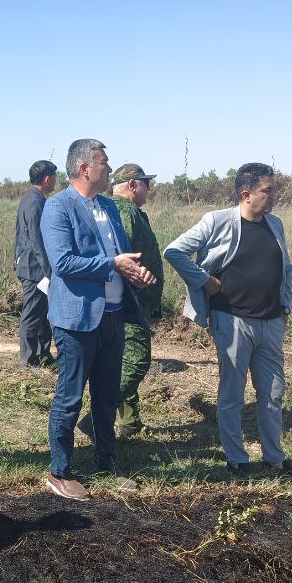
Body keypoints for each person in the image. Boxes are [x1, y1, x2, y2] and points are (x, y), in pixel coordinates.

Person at [163, 163, 292, 478]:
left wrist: (284, 308)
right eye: (268, 190)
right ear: (246, 194)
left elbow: (286, 269)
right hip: (233, 322)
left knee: (273, 392)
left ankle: (274, 457)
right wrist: (204, 280)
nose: (274, 196)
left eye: (274, 189)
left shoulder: (275, 224)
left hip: (270, 323)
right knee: (233, 394)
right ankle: (237, 459)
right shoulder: (217, 221)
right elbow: (174, 251)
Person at [41, 138, 156, 501]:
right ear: (84, 168)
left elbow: (121, 255)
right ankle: (59, 471)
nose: (109, 168)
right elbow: (63, 262)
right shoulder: (58, 207)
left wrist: (135, 273)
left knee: (106, 396)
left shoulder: (108, 206)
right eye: (103, 162)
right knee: (70, 397)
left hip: (113, 315)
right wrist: (113, 264)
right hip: (77, 319)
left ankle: (106, 462)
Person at [108, 163, 164, 436]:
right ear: (132, 185)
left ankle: (130, 421)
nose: (148, 190)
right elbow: (122, 255)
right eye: (145, 184)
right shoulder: (125, 211)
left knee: (123, 360)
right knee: (137, 360)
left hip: (130, 299)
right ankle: (98, 415)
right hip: (131, 301)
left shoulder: (123, 210)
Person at [14, 159, 58, 367]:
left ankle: (43, 355)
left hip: (32, 266)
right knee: (32, 315)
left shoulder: (32, 198)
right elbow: (37, 240)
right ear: (47, 179)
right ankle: (29, 360)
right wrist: (49, 271)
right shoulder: (35, 202)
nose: (56, 181)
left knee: (42, 314)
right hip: (35, 269)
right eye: (55, 177)